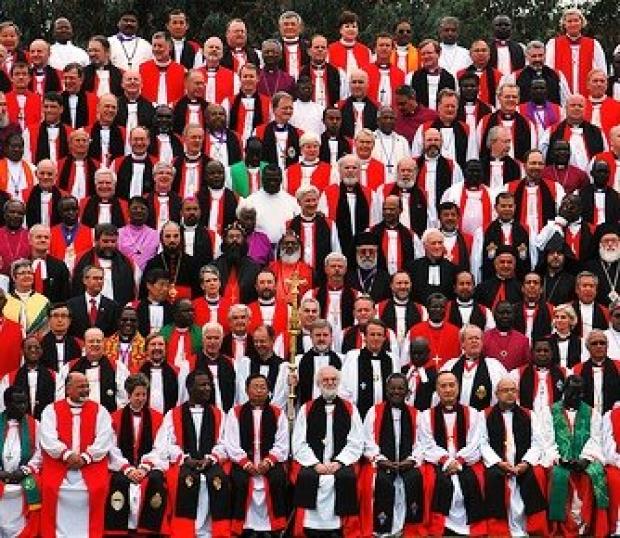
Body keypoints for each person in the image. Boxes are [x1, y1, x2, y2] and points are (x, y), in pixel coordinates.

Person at [152, 369, 231, 537]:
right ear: (189, 388)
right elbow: (165, 444)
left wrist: (210, 459)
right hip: (183, 463)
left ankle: (210, 531)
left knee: (215, 480)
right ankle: (187, 531)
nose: (208, 388)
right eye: (202, 385)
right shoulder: (173, 414)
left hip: (211, 463)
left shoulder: (218, 414)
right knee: (186, 480)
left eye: (209, 385)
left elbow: (225, 443)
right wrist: (185, 458)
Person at [291, 365, 364, 537]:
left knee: (346, 477)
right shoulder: (306, 409)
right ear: (318, 383)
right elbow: (299, 443)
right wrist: (315, 464)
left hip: (340, 463)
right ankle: (311, 527)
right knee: (307, 477)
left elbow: (356, 441)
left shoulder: (350, 409)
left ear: (338, 382)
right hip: (314, 462)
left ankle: (338, 528)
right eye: (325, 380)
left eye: (333, 380)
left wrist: (339, 462)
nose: (330, 383)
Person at [40, 371, 114, 538]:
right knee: (50, 487)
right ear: (68, 389)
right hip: (60, 463)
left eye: (87, 386)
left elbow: (104, 438)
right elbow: (47, 437)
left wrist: (86, 457)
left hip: (90, 464)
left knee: (98, 488)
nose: (86, 390)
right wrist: (66, 454)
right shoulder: (51, 410)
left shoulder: (100, 410)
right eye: (81, 386)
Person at [418, 371, 486, 535]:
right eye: (443, 386)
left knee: (475, 479)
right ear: (437, 390)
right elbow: (427, 444)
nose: (448, 390)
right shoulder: (426, 415)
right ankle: (441, 524)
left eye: (451, 385)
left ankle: (470, 524)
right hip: (439, 462)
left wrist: (459, 461)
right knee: (434, 481)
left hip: (466, 461)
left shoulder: (473, 413)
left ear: (458, 387)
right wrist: (447, 461)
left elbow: (476, 443)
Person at [540, 374, 609, 536]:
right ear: (563, 390)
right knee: (558, 475)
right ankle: (563, 526)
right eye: (571, 392)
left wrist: (586, 459)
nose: (575, 397)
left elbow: (596, 439)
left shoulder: (592, 414)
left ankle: (586, 524)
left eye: (579, 393)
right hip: (559, 461)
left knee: (594, 474)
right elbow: (546, 440)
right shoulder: (549, 412)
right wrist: (559, 458)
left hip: (584, 460)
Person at [480, 377, 548, 536]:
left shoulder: (529, 415)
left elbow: (537, 443)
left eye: (513, 390)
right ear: (496, 394)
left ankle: (533, 526)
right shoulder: (485, 415)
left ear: (517, 393)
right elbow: (482, 443)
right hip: (499, 465)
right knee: (493, 477)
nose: (509, 394)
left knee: (534, 477)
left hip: (522, 464)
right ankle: (499, 527)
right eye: (505, 390)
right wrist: (498, 462)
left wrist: (526, 462)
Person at [360, 373, 425, 536]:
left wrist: (410, 461)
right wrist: (381, 459)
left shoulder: (416, 414)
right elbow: (367, 440)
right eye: (393, 388)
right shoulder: (374, 412)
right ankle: (383, 528)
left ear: (407, 392)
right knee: (381, 481)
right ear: (386, 390)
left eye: (400, 388)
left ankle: (406, 526)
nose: (396, 392)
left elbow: (422, 443)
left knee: (413, 479)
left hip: (407, 464)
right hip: (381, 464)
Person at [224, 374, 289, 536]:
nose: (259, 391)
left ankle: (273, 526)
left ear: (269, 391)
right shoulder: (236, 412)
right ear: (246, 390)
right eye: (255, 387)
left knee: (276, 479)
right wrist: (246, 463)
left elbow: (282, 444)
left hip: (269, 463)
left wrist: (268, 461)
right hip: (244, 463)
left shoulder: (277, 413)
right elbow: (231, 443)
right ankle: (244, 527)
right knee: (240, 481)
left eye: (263, 387)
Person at [105, 373, 167, 535]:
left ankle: (149, 529)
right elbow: (111, 448)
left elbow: (160, 447)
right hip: (123, 467)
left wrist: (144, 467)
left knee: (155, 479)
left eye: (144, 394)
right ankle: (118, 530)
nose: (141, 398)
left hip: (148, 466)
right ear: (128, 395)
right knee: (118, 481)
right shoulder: (115, 418)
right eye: (137, 394)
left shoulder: (158, 418)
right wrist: (127, 469)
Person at [0, 386, 41, 538]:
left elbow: (40, 453)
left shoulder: (35, 424)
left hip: (23, 477)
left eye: (25, 402)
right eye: (18, 403)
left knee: (35, 486)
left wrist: (25, 470)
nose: (23, 407)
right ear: (7, 403)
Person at [441, 324, 507, 410]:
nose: (474, 341)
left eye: (477, 338)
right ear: (462, 344)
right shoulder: (450, 366)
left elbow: (505, 392)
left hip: (484, 418)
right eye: (470, 338)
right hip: (458, 418)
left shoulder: (495, 366)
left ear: (482, 342)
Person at [545, 7, 606, 95]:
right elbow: (548, 71)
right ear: (564, 24)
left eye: (576, 20)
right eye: (569, 21)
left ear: (582, 23)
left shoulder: (594, 44)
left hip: (587, 97)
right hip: (560, 95)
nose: (573, 24)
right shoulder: (553, 44)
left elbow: (601, 72)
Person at [0, 335, 63, 419]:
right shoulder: (8, 378)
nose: (33, 350)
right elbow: (2, 406)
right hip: (20, 427)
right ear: (22, 351)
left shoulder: (55, 377)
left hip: (46, 425)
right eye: (29, 348)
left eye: (37, 347)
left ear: (41, 351)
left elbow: (59, 404)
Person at [71, 223, 135, 306]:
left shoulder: (126, 262)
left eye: (113, 241)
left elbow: (132, 291)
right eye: (105, 241)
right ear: (96, 240)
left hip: (117, 310)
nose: (110, 245)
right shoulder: (80, 259)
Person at [70, 327, 129, 412]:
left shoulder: (117, 367)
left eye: (98, 341)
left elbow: (124, 398)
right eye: (91, 341)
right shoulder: (71, 367)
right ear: (84, 344)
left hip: (107, 420)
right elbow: (62, 397)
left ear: (104, 343)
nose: (95, 344)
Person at [140, 221, 201, 301]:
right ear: (162, 239)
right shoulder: (152, 263)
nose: (172, 240)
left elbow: (198, 294)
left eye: (176, 236)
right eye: (168, 236)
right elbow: (144, 293)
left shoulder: (193, 263)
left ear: (181, 238)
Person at [511, 335, 568, 413]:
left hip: (555, 419)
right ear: (532, 352)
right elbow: (514, 399)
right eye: (538, 350)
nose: (542, 353)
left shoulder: (565, 373)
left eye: (546, 350)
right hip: (528, 419)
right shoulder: (517, 374)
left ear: (552, 353)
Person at [403, 293, 460, 368]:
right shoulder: (415, 330)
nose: (438, 310)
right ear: (428, 308)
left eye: (442, 307)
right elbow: (405, 360)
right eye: (434, 307)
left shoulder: (456, 332)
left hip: (448, 377)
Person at [572, 330, 620, 415]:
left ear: (607, 346)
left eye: (602, 343)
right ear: (587, 347)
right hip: (586, 417)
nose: (599, 346)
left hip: (613, 417)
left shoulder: (618, 367)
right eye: (594, 343)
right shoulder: (577, 369)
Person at [140, 332, 188, 415]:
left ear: (166, 349)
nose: (157, 347)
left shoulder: (177, 372)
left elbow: (181, 399)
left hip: (168, 420)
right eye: (153, 344)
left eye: (160, 344)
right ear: (146, 349)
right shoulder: (137, 372)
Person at [234, 325, 283, 405]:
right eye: (256, 341)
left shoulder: (283, 366)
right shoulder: (246, 363)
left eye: (262, 341)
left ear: (272, 340)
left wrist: (268, 411)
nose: (258, 345)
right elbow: (241, 391)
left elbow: (281, 396)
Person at [69, 265, 121, 340]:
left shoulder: (112, 306)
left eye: (101, 279)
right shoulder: (72, 305)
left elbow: (114, 333)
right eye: (95, 278)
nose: (99, 281)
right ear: (85, 280)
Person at [408, 228, 457, 304]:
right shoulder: (413, 267)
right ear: (425, 245)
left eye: (440, 243)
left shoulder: (452, 268)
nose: (437, 247)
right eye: (433, 243)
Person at [195, 323, 236, 413]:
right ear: (202, 340)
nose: (212, 342)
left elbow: (238, 395)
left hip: (227, 414)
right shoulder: (190, 364)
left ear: (222, 340)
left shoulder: (232, 363)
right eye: (209, 338)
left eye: (216, 338)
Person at [3, 258, 50, 336]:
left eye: (30, 273)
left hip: (35, 346)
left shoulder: (43, 301)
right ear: (14, 277)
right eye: (22, 273)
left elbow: (47, 328)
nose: (27, 276)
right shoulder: (5, 301)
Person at [408, 39, 456, 111]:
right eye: (423, 54)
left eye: (429, 53)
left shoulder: (450, 78)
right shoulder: (412, 76)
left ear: (438, 54)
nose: (426, 56)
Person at [483, 301, 532, 370]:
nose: (505, 316)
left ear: (513, 315)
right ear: (494, 315)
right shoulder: (484, 338)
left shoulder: (523, 340)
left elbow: (526, 367)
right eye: (501, 313)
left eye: (508, 313)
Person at [40, 302, 81, 371]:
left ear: (70, 320)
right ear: (49, 320)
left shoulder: (79, 344)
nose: (59, 320)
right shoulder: (39, 343)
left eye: (64, 316)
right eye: (55, 316)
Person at [104, 305, 146, 374]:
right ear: (118, 321)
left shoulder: (146, 345)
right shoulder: (105, 344)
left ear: (138, 323)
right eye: (124, 320)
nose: (128, 323)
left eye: (133, 320)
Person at [571, 271, 609, 337]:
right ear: (577, 289)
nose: (588, 289)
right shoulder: (567, 309)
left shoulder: (605, 312)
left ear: (596, 290)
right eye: (584, 286)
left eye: (591, 286)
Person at [548, 303, 584, 368]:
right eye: (557, 317)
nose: (559, 320)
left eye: (563, 317)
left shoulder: (580, 341)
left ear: (571, 320)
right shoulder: (547, 341)